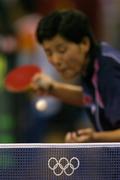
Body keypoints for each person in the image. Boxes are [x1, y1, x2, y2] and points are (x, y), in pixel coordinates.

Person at [31, 9, 120, 142]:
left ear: (84, 43)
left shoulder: (107, 71)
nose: (55, 60)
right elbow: (95, 98)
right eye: (49, 52)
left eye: (62, 50)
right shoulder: (96, 60)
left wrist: (94, 138)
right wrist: (52, 89)